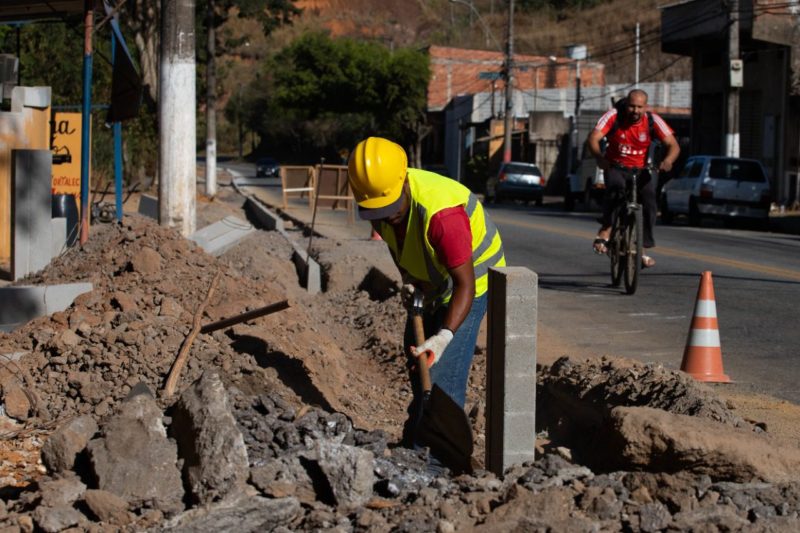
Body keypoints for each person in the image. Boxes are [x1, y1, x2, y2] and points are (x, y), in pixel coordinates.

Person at [347, 136, 505, 458]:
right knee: (417, 359)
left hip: (472, 280)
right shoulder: (379, 204)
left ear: (403, 180)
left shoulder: (442, 214)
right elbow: (398, 246)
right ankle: (416, 436)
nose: (386, 216)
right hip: (433, 279)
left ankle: (437, 459)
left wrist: (444, 336)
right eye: (377, 210)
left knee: (442, 373)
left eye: (390, 208)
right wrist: (410, 281)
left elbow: (464, 285)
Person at [587, 89, 680, 268]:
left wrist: (668, 160)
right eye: (632, 106)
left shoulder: (653, 120)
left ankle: (642, 247)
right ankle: (606, 229)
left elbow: (673, 145)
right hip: (615, 166)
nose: (635, 111)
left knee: (650, 198)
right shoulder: (613, 116)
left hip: (641, 169)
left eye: (639, 107)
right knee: (615, 188)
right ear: (626, 104)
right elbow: (593, 138)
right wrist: (600, 158)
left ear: (646, 107)